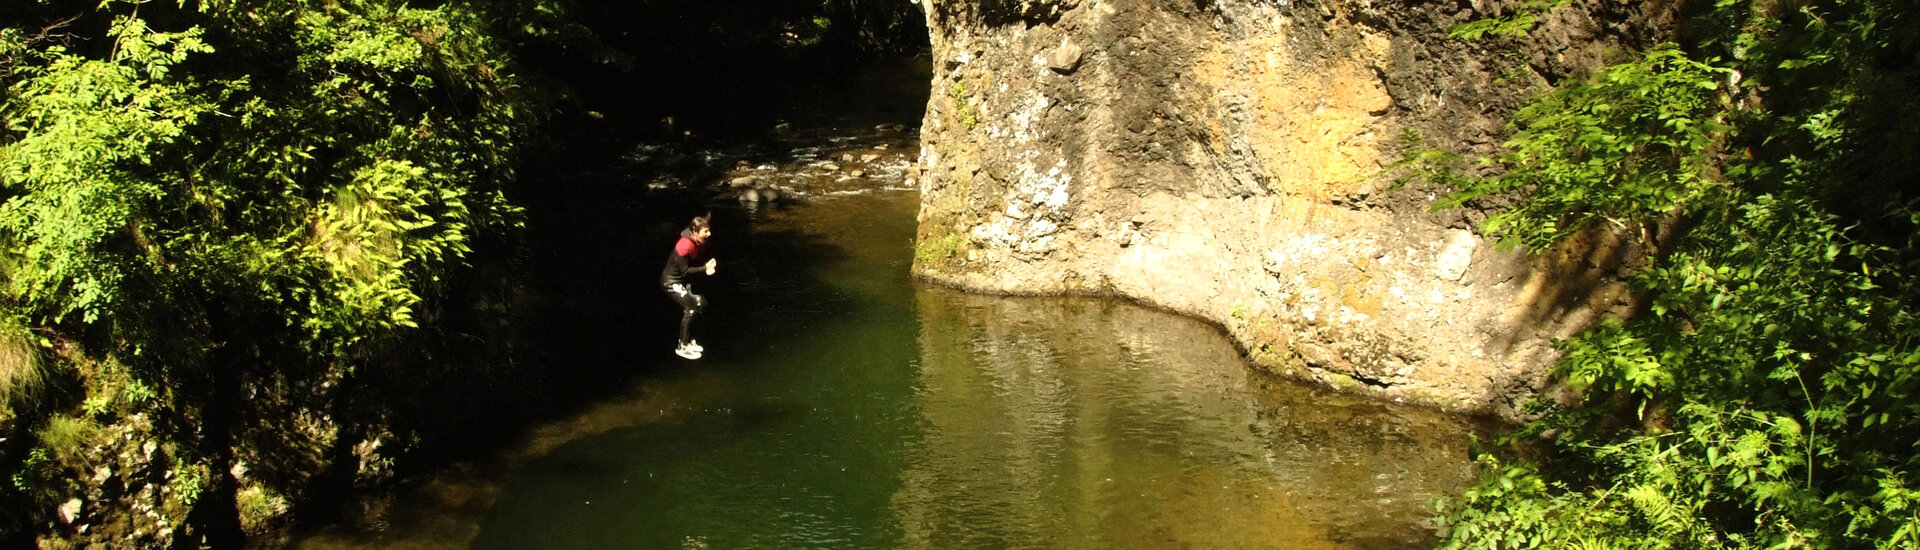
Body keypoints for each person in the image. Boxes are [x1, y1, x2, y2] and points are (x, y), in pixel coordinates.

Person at [661, 214, 717, 359]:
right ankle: (682, 346)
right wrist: (705, 268)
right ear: (695, 232)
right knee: (691, 309)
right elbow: (685, 271)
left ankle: (690, 339)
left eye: (708, 230)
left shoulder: (697, 238)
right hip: (671, 282)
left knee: (701, 304)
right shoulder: (684, 245)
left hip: (683, 281)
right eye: (706, 231)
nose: (709, 234)